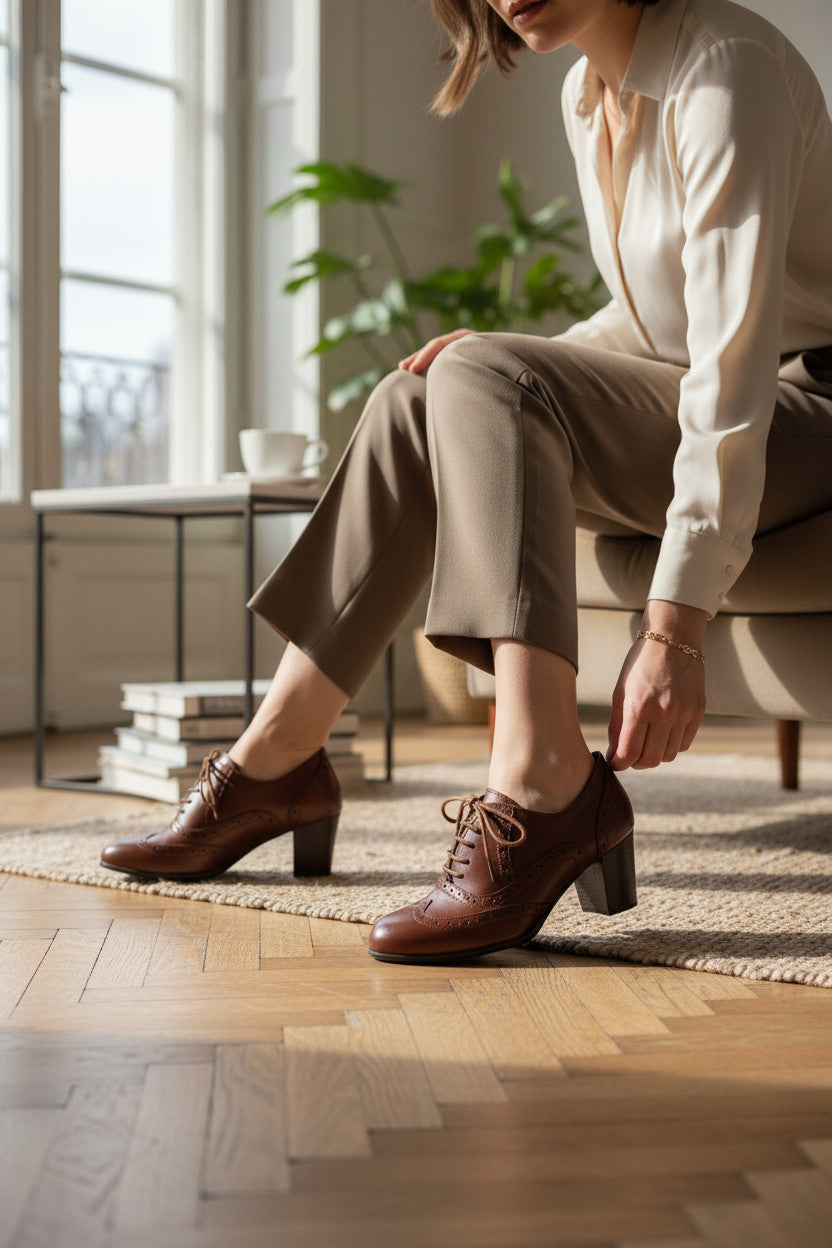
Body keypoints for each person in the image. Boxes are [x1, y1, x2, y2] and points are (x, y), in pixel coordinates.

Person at [101, 0, 832, 964]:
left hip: (806, 411)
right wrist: (500, 361)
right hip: (719, 388)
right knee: (419, 397)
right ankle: (277, 756)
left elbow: (732, 366)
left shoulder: (726, 68)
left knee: (483, 373)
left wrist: (676, 628)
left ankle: (542, 782)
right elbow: (650, 315)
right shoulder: (588, 93)